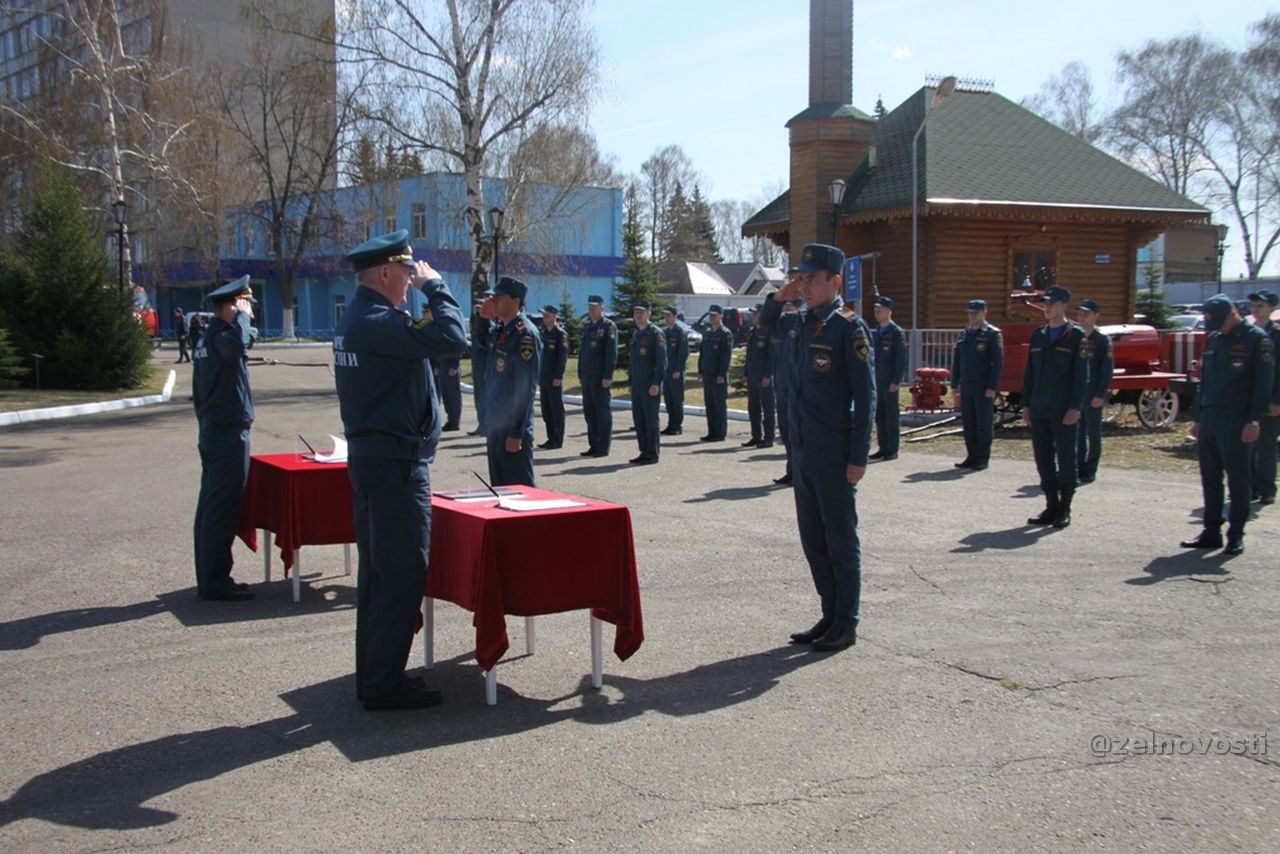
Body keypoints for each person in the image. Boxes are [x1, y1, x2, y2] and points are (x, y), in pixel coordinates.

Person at [333, 229, 467, 711]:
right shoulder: (376, 320)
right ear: (386, 272)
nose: (412, 281)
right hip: (394, 466)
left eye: (416, 275)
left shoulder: (359, 318)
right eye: (408, 273)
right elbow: (454, 337)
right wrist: (439, 287)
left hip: (375, 460)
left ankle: (376, 676)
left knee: (378, 575)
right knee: (403, 574)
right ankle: (382, 684)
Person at [758, 244, 874, 653]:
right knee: (814, 539)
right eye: (801, 279)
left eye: (812, 279)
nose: (804, 287)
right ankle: (829, 614)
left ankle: (847, 621)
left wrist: (859, 456)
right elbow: (765, 325)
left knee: (840, 539)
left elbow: (867, 396)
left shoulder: (849, 329)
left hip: (834, 451)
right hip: (803, 450)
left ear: (835, 281)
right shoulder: (801, 324)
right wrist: (779, 296)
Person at [1180, 294, 1275, 555]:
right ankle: (1211, 531)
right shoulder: (1214, 339)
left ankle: (1236, 534)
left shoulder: (1256, 339)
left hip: (1238, 418)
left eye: (1220, 322)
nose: (1217, 328)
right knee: (1210, 478)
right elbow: (1206, 381)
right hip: (1211, 416)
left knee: (1238, 479)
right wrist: (1198, 418)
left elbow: (1263, 384)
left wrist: (1255, 419)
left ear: (1234, 314)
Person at [191, 275, 257, 602]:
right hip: (227, 431)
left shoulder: (207, 337)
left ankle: (210, 575)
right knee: (221, 508)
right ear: (231, 306)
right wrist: (242, 319)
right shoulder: (222, 337)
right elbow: (236, 347)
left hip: (214, 427)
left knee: (210, 506)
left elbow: (198, 392)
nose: (248, 312)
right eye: (243, 306)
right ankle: (215, 580)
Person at [1021, 286, 1089, 528]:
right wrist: (1026, 404)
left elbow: (1081, 376)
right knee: (1043, 459)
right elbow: (1030, 372)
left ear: (1063, 305)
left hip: (1063, 408)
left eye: (1051, 303)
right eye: (1044, 303)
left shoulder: (1075, 335)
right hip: (1039, 406)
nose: (1046, 307)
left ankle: (1065, 507)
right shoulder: (1038, 335)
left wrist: (1075, 407)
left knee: (1066, 458)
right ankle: (1050, 505)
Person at [480, 277, 541, 486]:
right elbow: (480, 343)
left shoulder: (525, 335)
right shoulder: (502, 331)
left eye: (498, 297)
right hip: (496, 424)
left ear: (515, 301)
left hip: (511, 429)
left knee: (521, 491)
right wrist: (482, 318)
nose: (493, 300)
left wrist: (517, 432)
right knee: (500, 487)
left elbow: (525, 390)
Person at [952, 299, 1004, 471]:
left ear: (984, 313)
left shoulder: (992, 334)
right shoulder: (965, 333)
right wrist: (954, 383)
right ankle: (971, 455)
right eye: (970, 313)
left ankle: (982, 457)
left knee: (983, 422)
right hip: (966, 384)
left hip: (983, 385)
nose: (972, 316)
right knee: (969, 422)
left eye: (975, 313)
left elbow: (997, 363)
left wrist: (992, 387)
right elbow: (957, 359)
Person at [1075, 299, 1114, 484]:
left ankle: (1090, 469)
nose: (1082, 318)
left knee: (1093, 432)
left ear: (1096, 316)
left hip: (1093, 393)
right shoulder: (1075, 336)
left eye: (1086, 314)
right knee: (1078, 432)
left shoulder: (1101, 340)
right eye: (1080, 314)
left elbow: (1106, 370)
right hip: (1077, 392)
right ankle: (1079, 466)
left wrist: (1100, 395)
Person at [1248, 289, 1280, 506]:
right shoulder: (1247, 333)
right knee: (1246, 446)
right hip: (1248, 399)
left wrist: (1277, 400)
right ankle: (1249, 487)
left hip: (1269, 400)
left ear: (1271, 309)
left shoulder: (1276, 335)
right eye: (1255, 304)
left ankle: (1267, 489)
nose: (1256, 308)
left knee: (1266, 446)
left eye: (1261, 304)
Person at [769, 294, 804, 484]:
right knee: (785, 431)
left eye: (790, 304)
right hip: (782, 386)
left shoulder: (802, 324)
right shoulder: (780, 325)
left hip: (796, 387)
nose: (786, 307)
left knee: (796, 432)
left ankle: (799, 472)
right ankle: (791, 470)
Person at [578, 294, 617, 457]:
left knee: (602, 412)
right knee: (590, 412)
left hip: (600, 376)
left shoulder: (608, 327)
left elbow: (611, 353)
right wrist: (580, 372)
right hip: (587, 376)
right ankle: (593, 445)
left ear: (602, 308)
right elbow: (583, 353)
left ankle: (603, 446)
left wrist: (607, 375)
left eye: (594, 307)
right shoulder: (588, 327)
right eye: (589, 307)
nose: (591, 310)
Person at [628, 300, 667, 464]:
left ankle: (652, 453)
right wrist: (631, 382)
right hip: (637, 384)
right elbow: (633, 361)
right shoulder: (636, 334)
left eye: (641, 313)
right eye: (636, 313)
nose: (638, 316)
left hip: (649, 385)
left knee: (651, 420)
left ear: (649, 314)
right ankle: (644, 450)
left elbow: (662, 363)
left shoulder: (656, 334)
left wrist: (656, 383)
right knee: (639, 419)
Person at [870, 296, 908, 461]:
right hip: (877, 379)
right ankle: (882, 447)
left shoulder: (896, 332)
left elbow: (900, 359)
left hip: (889, 380)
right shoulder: (877, 332)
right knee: (880, 415)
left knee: (892, 416)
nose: (877, 314)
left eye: (880, 311)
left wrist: (896, 381)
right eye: (876, 311)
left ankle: (892, 448)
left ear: (888, 311)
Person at [742, 303, 776, 448]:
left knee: (768, 408)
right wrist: (745, 373)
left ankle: (768, 437)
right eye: (753, 313)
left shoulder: (769, 331)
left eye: (756, 313)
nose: (753, 316)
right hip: (752, 375)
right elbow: (749, 355)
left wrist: (768, 375)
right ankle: (756, 436)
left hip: (764, 376)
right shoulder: (752, 331)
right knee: (753, 408)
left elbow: (772, 356)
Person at [698, 304, 734, 442]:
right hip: (707, 374)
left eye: (715, 315)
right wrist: (700, 370)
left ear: (721, 316)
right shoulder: (708, 333)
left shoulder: (725, 334)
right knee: (710, 404)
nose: (712, 317)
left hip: (718, 375)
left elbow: (726, 356)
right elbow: (703, 354)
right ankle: (711, 431)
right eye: (710, 315)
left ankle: (719, 433)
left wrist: (721, 374)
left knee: (719, 404)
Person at [425, 305, 463, 432]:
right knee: (446, 395)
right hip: (442, 365)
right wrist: (436, 366)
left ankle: (455, 421)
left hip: (450, 366)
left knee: (453, 395)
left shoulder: (451, 327)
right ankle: (450, 419)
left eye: (428, 312)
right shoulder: (438, 326)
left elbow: (459, 348)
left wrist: (454, 366)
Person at [537, 305, 568, 450]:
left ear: (554, 316)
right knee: (546, 409)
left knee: (556, 409)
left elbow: (562, 358)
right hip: (544, 376)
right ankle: (550, 438)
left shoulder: (560, 334)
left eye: (547, 316)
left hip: (554, 378)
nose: (544, 318)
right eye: (543, 316)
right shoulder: (542, 333)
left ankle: (558, 439)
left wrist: (558, 376)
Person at [468, 292, 495, 436]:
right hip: (478, 368)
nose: (477, 310)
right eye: (476, 308)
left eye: (480, 308)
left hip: (486, 368)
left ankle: (488, 425)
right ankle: (481, 424)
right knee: (479, 398)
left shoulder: (489, 327)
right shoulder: (476, 326)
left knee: (487, 398)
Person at [660, 306, 689, 435]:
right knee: (669, 400)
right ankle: (671, 424)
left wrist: (678, 369)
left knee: (677, 400)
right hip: (666, 371)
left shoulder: (680, 332)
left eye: (669, 316)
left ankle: (677, 426)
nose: (666, 318)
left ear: (675, 317)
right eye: (665, 316)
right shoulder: (664, 332)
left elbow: (683, 353)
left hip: (676, 371)